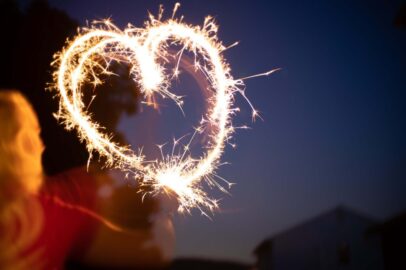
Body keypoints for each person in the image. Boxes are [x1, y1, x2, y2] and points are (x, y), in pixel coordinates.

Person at [0, 90, 175, 269]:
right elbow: (153, 251)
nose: (41, 146)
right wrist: (165, 216)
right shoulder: (52, 217)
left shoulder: (58, 201)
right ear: (23, 145)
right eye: (34, 135)